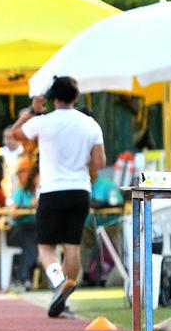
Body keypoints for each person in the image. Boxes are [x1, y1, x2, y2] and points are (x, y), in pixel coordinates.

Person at [11, 76, 106, 317]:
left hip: (52, 190)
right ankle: (65, 300)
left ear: (53, 97)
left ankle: (58, 282)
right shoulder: (90, 124)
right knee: (71, 245)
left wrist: (32, 110)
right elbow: (100, 162)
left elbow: (16, 133)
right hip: (80, 189)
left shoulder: (44, 122)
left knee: (45, 246)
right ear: (76, 97)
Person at [8, 161, 39, 289]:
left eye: (23, 172)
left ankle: (24, 277)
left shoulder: (44, 192)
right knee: (29, 233)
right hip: (18, 231)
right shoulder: (20, 193)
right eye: (18, 173)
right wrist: (28, 206)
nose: (20, 176)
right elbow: (13, 215)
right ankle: (25, 276)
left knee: (34, 233)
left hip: (39, 230)